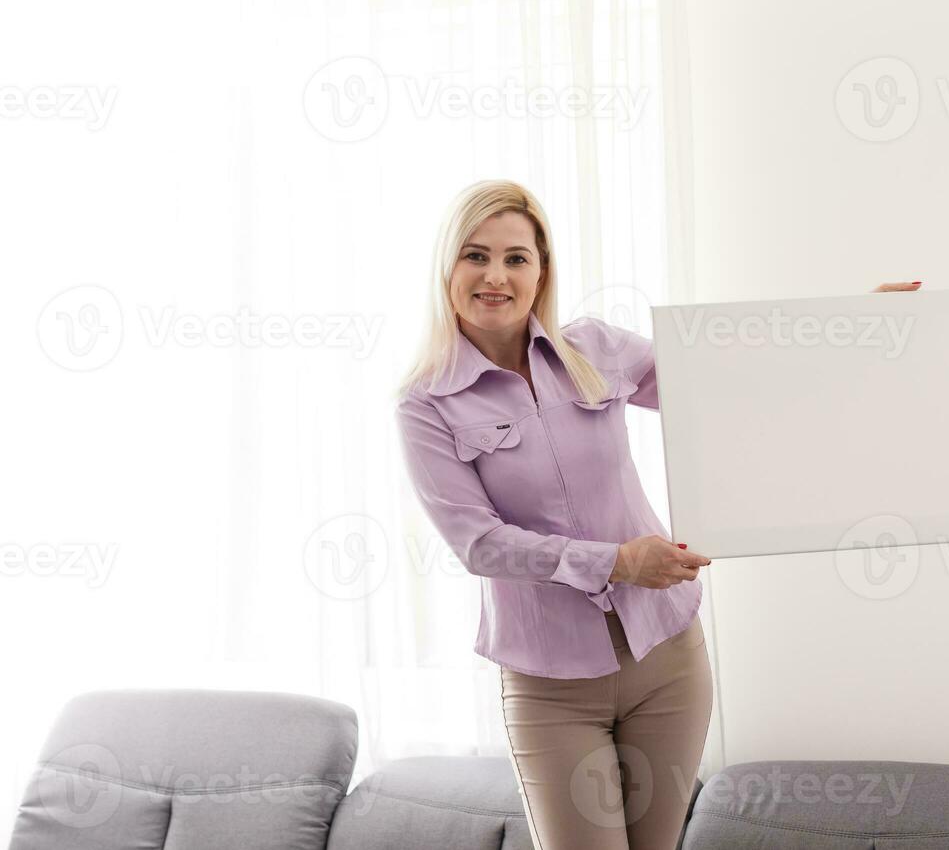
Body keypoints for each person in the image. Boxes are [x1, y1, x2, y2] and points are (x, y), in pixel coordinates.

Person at [393, 178, 921, 850]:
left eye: (516, 258)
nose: (496, 275)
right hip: (551, 689)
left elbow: (722, 379)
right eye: (476, 255)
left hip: (669, 660)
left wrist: (843, 325)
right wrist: (618, 563)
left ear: (541, 272)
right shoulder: (425, 405)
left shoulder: (594, 350)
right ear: (447, 265)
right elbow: (480, 545)